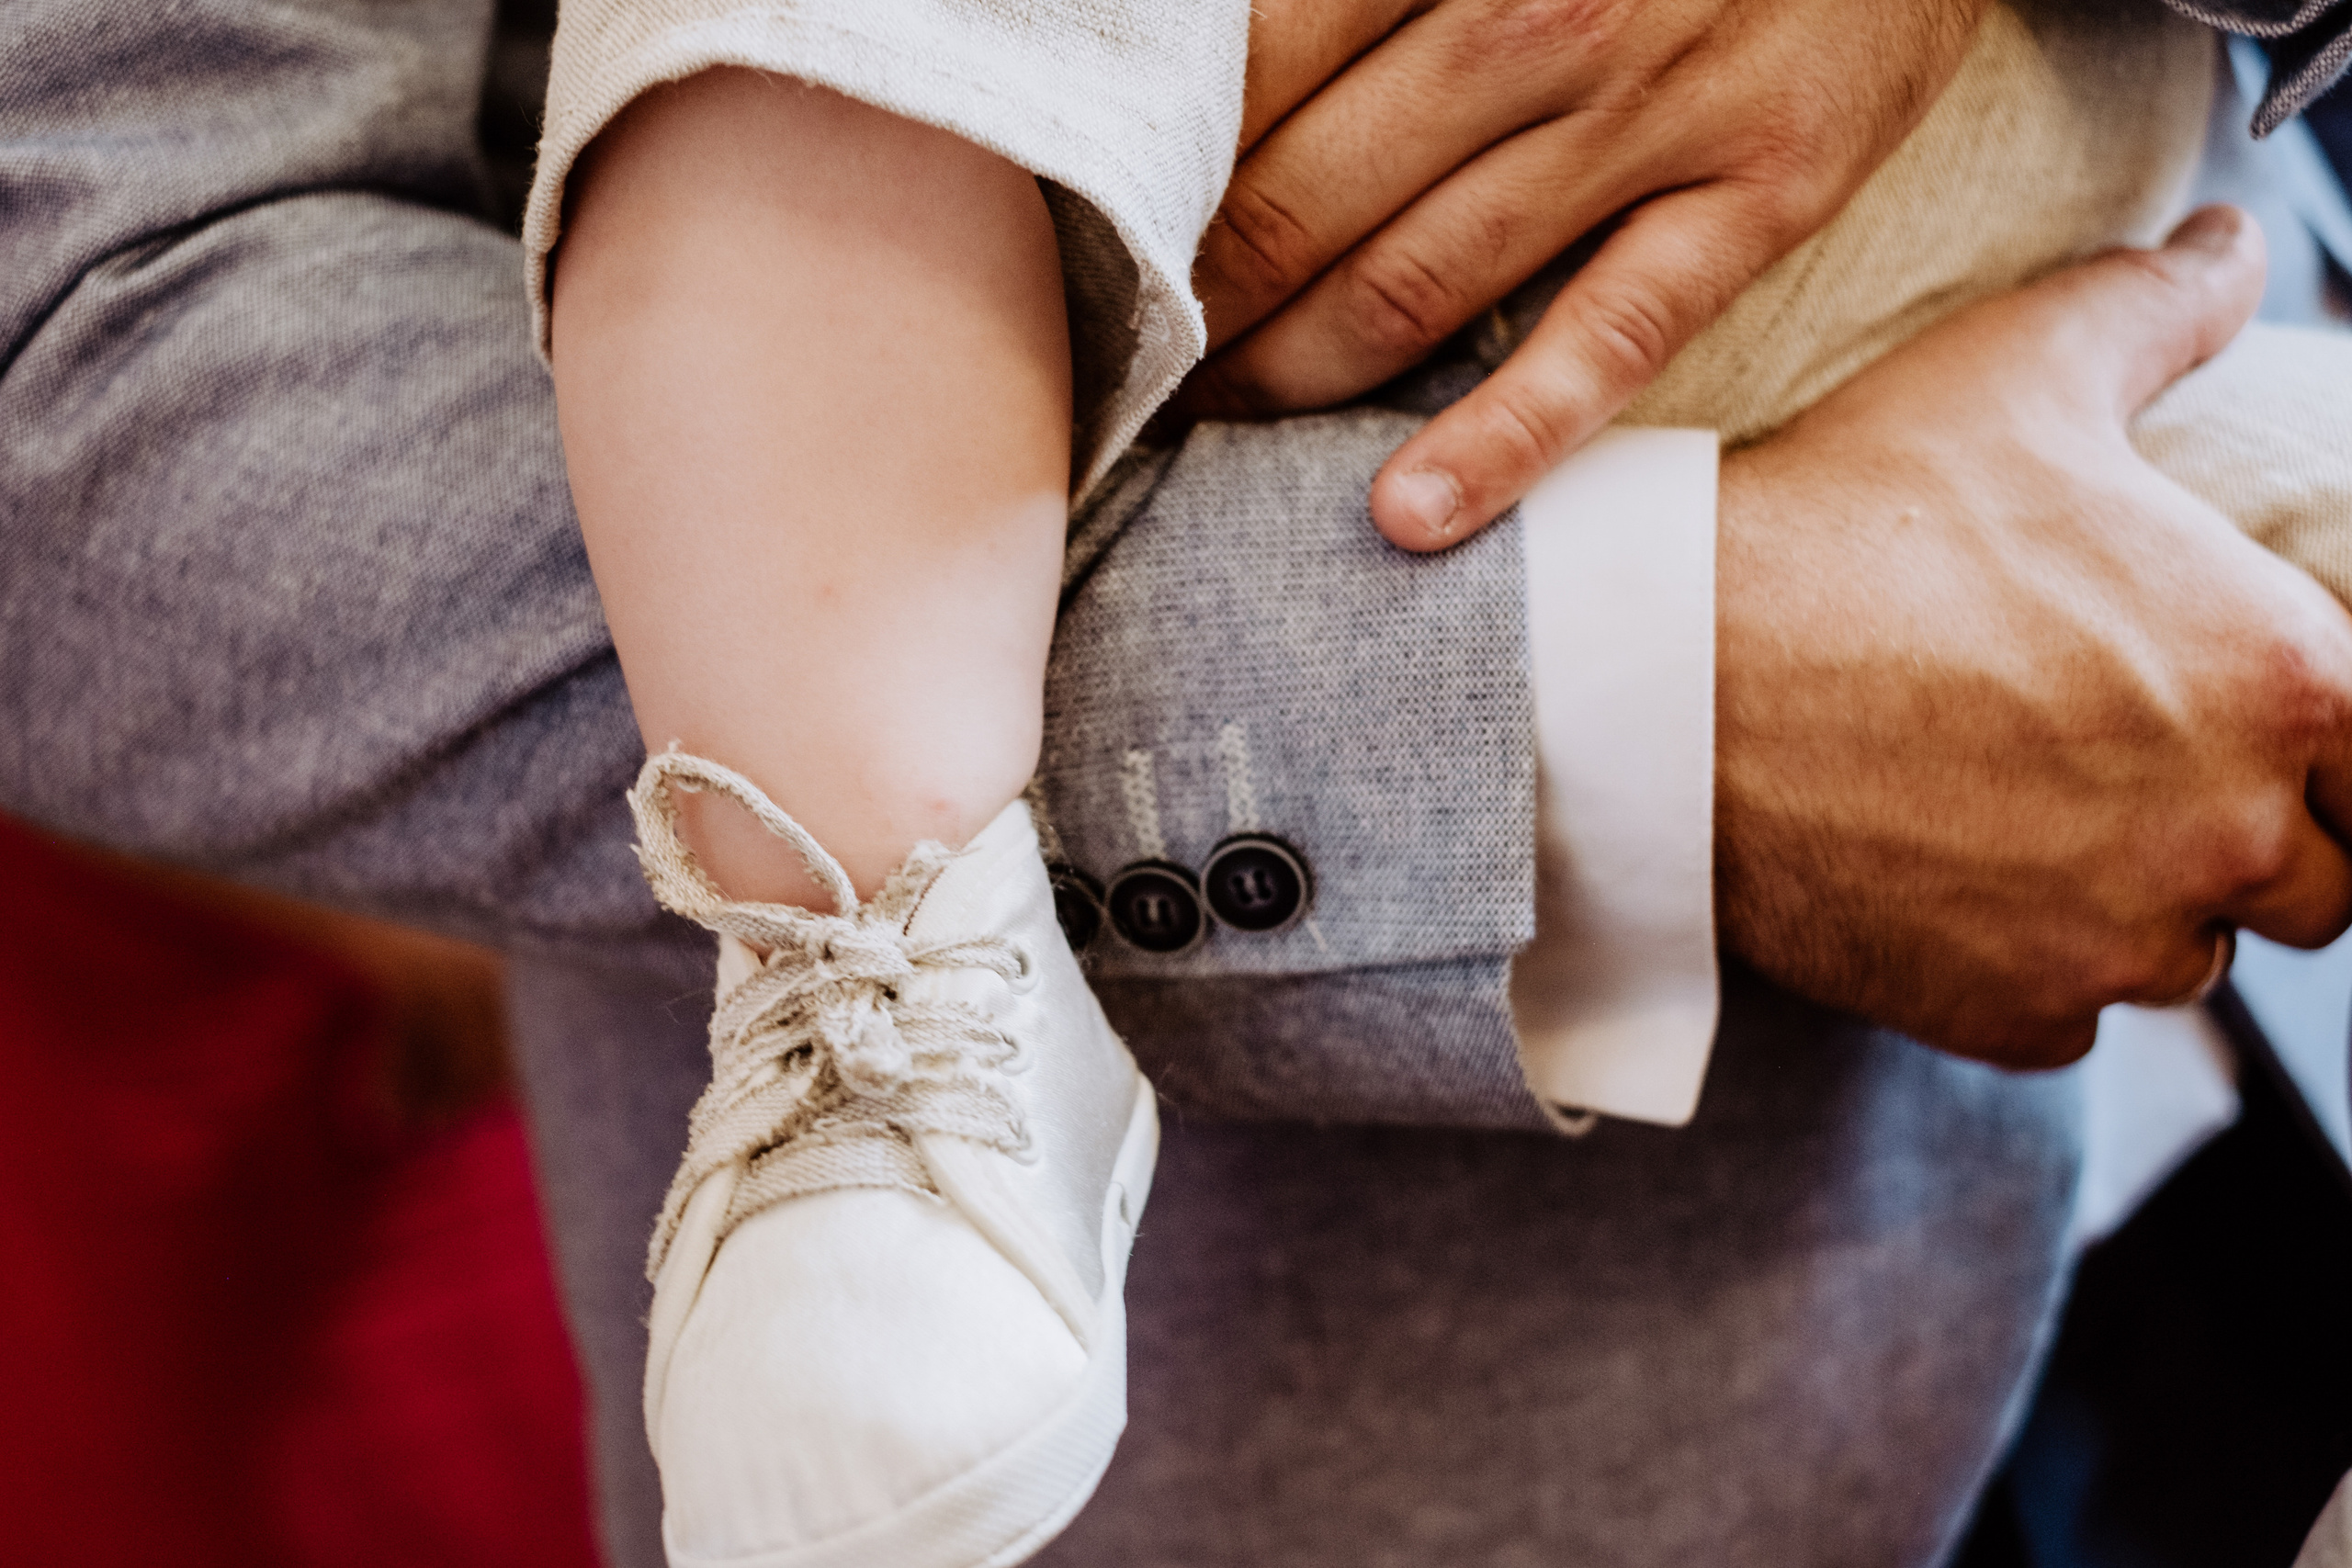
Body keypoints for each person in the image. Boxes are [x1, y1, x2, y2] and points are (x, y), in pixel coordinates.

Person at [5, 0, 2351, 1564]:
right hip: (1330, 1408)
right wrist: (1620, 691)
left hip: (2193, 588)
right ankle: (877, 947)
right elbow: (67, 340)